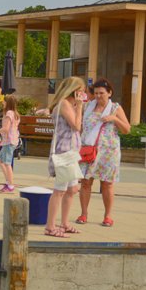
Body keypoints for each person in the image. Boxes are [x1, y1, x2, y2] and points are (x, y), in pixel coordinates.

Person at [77, 78, 130, 227]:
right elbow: (80, 127)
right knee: (85, 182)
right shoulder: (88, 106)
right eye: (96, 93)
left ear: (109, 93)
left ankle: (107, 216)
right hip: (88, 151)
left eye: (101, 93)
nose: (98, 96)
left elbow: (127, 129)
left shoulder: (115, 108)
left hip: (109, 152)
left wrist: (114, 119)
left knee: (107, 184)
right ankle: (83, 214)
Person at [45, 76, 86, 238]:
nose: (82, 94)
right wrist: (80, 107)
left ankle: (65, 223)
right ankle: (50, 226)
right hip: (64, 151)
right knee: (60, 190)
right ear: (73, 91)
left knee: (72, 189)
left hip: (71, 152)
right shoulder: (63, 104)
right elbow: (76, 126)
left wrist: (77, 106)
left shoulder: (69, 105)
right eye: (81, 91)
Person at [0, 94, 20, 192]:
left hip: (9, 141)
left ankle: (10, 185)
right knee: (0, 161)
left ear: (8, 103)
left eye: (4, 101)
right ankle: (8, 182)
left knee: (7, 163)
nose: (2, 102)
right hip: (10, 141)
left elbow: (6, 129)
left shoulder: (9, 113)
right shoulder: (15, 113)